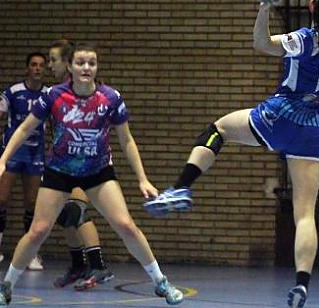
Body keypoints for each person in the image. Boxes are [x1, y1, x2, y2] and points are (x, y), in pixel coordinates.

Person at [142, 0, 319, 308]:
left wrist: (265, 7)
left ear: (310, 7)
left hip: (281, 116)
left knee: (220, 129)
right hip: (315, 129)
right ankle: (302, 285)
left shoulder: (304, 39)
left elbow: (262, 44)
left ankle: (181, 187)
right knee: (304, 213)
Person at [0, 43, 183, 305]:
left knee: (126, 225)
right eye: (81, 63)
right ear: (71, 67)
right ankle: (6, 286)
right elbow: (24, 129)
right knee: (38, 230)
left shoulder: (110, 98)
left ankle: (160, 282)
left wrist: (142, 178)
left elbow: (127, 141)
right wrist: (3, 159)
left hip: (98, 171)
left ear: (96, 68)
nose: (86, 67)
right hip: (59, 171)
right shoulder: (54, 96)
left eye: (92, 63)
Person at [47, 39, 114, 290]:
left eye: (54, 60)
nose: (50, 65)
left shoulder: (92, 92)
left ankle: (98, 265)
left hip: (90, 162)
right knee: (64, 215)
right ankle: (78, 265)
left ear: (67, 63)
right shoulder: (56, 94)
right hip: (65, 162)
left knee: (76, 210)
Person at [0, 52, 48, 271]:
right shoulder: (12, 92)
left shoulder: (49, 94)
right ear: (27, 68)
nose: (37, 68)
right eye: (33, 65)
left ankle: (30, 254)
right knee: (1, 199)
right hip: (12, 153)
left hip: (35, 154)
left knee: (32, 203)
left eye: (41, 65)